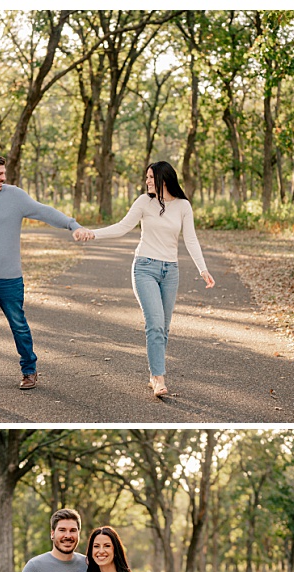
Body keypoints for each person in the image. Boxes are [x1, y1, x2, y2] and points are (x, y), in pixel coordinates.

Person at [0, 151, 94, 405]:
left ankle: (29, 370)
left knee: (19, 325)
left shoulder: (15, 196)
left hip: (9, 278)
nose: (5, 177)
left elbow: (43, 211)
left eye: (5, 173)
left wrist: (73, 225)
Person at [75, 161, 215, 398]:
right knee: (155, 324)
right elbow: (122, 227)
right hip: (145, 268)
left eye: (151, 177)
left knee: (165, 327)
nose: (147, 181)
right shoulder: (143, 202)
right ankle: (159, 378)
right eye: (147, 177)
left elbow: (190, 239)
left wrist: (203, 269)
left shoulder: (183, 206)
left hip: (171, 271)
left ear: (164, 179)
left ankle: (154, 374)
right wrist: (93, 233)